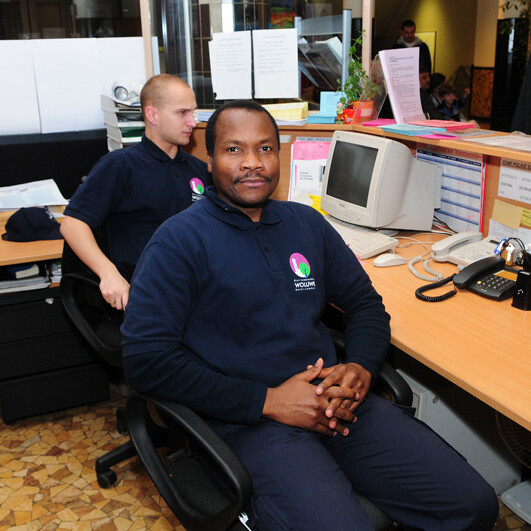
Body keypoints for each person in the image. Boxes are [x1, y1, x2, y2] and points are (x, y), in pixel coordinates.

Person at [121, 100, 498, 530]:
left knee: (473, 504)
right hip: (246, 422)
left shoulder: (305, 224)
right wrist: (267, 401)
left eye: (265, 148)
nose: (252, 162)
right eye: (233, 150)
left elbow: (365, 304)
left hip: (335, 401)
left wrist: (361, 366)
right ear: (209, 160)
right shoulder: (178, 242)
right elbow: (145, 359)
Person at [60, 74, 211, 310]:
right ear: (152, 115)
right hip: (145, 292)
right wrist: (108, 273)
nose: (192, 122)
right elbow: (72, 224)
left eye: (193, 112)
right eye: (182, 113)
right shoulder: (120, 166)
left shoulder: (199, 170)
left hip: (192, 287)